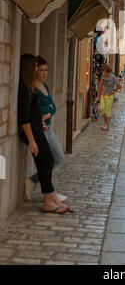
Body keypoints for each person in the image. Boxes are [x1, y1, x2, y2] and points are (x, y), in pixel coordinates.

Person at [18, 54, 72, 214]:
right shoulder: (25, 88)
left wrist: (41, 121)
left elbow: (43, 109)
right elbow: (24, 117)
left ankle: (51, 198)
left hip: (39, 129)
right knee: (47, 161)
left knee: (46, 162)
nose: (38, 70)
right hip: (33, 132)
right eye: (36, 67)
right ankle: (48, 200)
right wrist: (31, 140)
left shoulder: (31, 87)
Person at [99, 64, 122, 131]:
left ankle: (106, 125)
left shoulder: (113, 77)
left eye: (103, 69)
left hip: (109, 96)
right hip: (103, 95)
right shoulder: (103, 76)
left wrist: (112, 92)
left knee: (107, 110)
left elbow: (119, 86)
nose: (102, 71)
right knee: (102, 109)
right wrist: (98, 95)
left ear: (107, 70)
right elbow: (101, 86)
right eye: (102, 69)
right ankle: (105, 123)